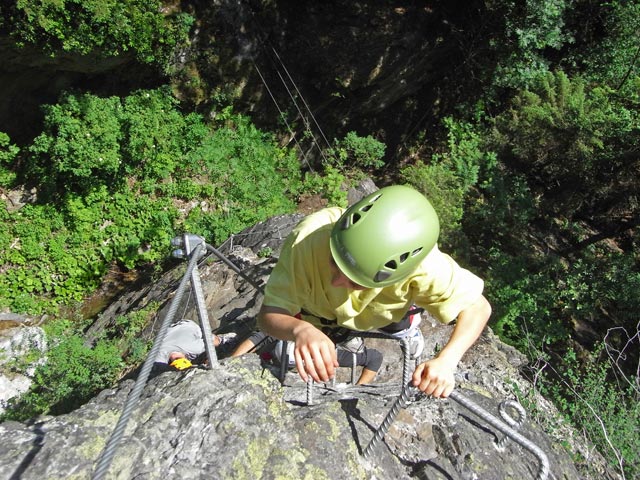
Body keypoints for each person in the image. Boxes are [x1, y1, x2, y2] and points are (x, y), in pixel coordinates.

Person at [257, 185, 492, 398]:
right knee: (322, 326)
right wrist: (300, 330)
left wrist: (447, 361)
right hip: (317, 311)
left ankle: (406, 330)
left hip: (382, 313)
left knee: (398, 323)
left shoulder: (426, 267)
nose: (338, 280)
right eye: (334, 261)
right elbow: (269, 313)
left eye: (356, 281)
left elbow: (477, 307)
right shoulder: (307, 238)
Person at [231, 330, 384, 385]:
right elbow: (375, 358)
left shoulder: (334, 355)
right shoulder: (335, 356)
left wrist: (231, 363)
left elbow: (259, 336)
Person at [154, 319, 237, 370]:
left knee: (215, 341)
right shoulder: (158, 358)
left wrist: (220, 341)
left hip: (188, 325)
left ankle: (222, 339)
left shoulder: (195, 348)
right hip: (170, 329)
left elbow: (211, 340)